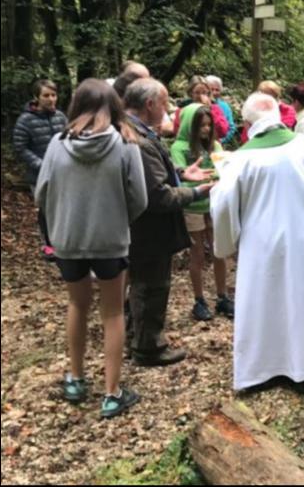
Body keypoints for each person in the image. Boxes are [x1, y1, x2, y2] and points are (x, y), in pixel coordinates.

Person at [210, 93, 304, 391]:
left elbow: (223, 206)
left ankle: (270, 368)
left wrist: (226, 242)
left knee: (269, 304)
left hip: (265, 244)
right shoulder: (302, 145)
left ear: (248, 124)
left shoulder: (243, 159)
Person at [36, 79, 148, 418]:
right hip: (110, 241)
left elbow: (41, 193)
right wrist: (116, 218)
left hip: (67, 240)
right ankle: (112, 393)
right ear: (113, 106)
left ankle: (76, 378)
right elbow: (140, 199)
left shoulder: (57, 143)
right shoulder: (126, 144)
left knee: (77, 304)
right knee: (113, 312)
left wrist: (62, 218)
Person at [125, 78, 214, 366]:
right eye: (164, 103)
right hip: (148, 230)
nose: (168, 109)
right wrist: (194, 192)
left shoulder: (138, 132)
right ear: (149, 104)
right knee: (151, 286)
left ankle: (137, 336)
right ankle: (148, 347)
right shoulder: (137, 139)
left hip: (143, 228)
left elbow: (155, 173)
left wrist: (181, 172)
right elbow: (158, 196)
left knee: (145, 284)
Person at [171, 103, 234, 322]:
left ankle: (222, 296)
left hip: (214, 205)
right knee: (197, 255)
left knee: (219, 252)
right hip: (192, 207)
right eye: (201, 125)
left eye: (209, 125)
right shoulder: (179, 148)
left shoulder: (215, 145)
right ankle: (199, 300)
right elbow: (181, 179)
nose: (206, 130)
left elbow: (223, 170)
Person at [13, 78, 68, 260]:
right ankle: (49, 246)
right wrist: (41, 165)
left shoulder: (61, 117)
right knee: (46, 209)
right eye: (46, 95)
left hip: (62, 173)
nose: (51, 99)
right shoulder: (25, 120)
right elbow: (20, 147)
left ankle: (64, 242)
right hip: (38, 175)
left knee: (62, 208)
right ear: (36, 97)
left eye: (53, 95)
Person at [171, 76, 230, 141]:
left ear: (208, 93)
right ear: (191, 93)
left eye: (204, 93)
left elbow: (223, 131)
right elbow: (178, 133)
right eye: (197, 92)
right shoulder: (182, 111)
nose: (201, 96)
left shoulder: (215, 109)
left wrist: (210, 110)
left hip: (212, 147)